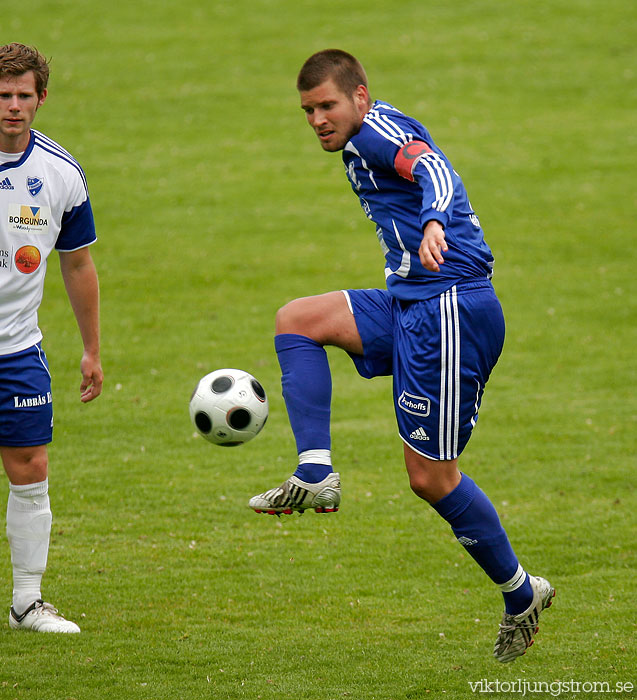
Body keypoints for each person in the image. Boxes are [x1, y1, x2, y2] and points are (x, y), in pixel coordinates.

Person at [249, 49, 554, 662]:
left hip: (450, 309)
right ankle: (315, 473)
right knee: (298, 321)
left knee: (430, 479)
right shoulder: (360, 139)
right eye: (307, 110)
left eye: (327, 105)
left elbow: (433, 168)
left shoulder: (378, 130)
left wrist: (436, 221)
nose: (316, 119)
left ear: (360, 96)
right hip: (412, 300)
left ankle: (521, 593)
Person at [0, 43, 102, 633]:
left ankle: (25, 602)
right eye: (3, 94)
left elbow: (78, 263)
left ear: (41, 98)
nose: (13, 106)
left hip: (17, 350)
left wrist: (91, 349)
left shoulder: (61, 174)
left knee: (31, 467)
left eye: (23, 95)